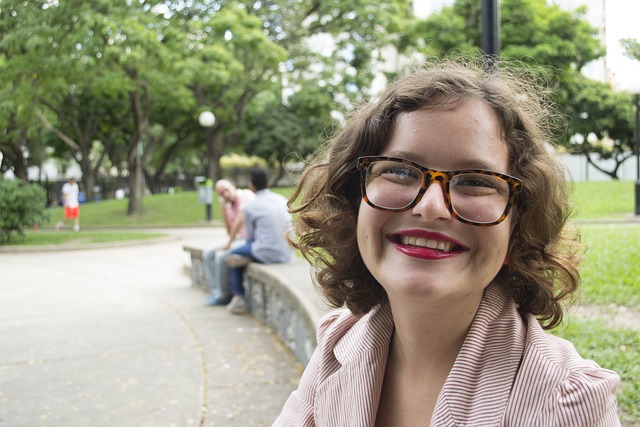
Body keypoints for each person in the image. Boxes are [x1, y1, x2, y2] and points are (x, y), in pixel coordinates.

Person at [273, 59, 620, 426]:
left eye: (476, 180)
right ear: (353, 201)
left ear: (517, 230)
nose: (431, 207)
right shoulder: (338, 341)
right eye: (399, 170)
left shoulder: (568, 401)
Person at [224, 168, 293, 315]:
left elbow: (250, 238)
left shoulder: (250, 207)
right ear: (268, 182)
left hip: (265, 252)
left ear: (251, 185)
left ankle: (239, 297)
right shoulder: (282, 200)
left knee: (234, 255)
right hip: (287, 253)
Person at [203, 179, 255, 306]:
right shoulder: (229, 206)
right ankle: (216, 291)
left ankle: (223, 295)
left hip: (249, 239)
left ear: (233, 186)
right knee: (208, 253)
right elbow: (229, 231)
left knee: (221, 256)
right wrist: (224, 211)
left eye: (226, 190)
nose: (225, 195)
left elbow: (240, 220)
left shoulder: (245, 196)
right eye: (221, 194)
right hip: (237, 239)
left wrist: (228, 244)